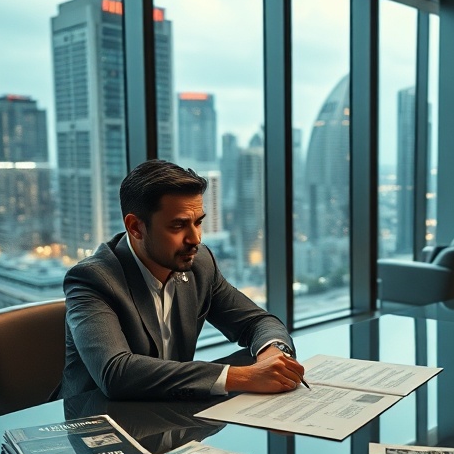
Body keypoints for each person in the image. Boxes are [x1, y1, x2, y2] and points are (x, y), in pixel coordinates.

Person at [57, 159, 306, 400]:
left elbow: (257, 322)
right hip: (99, 423)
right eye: (178, 226)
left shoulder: (199, 264)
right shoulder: (92, 279)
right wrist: (242, 377)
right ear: (135, 227)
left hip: (170, 415)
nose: (195, 238)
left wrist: (272, 353)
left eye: (198, 223)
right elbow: (116, 373)